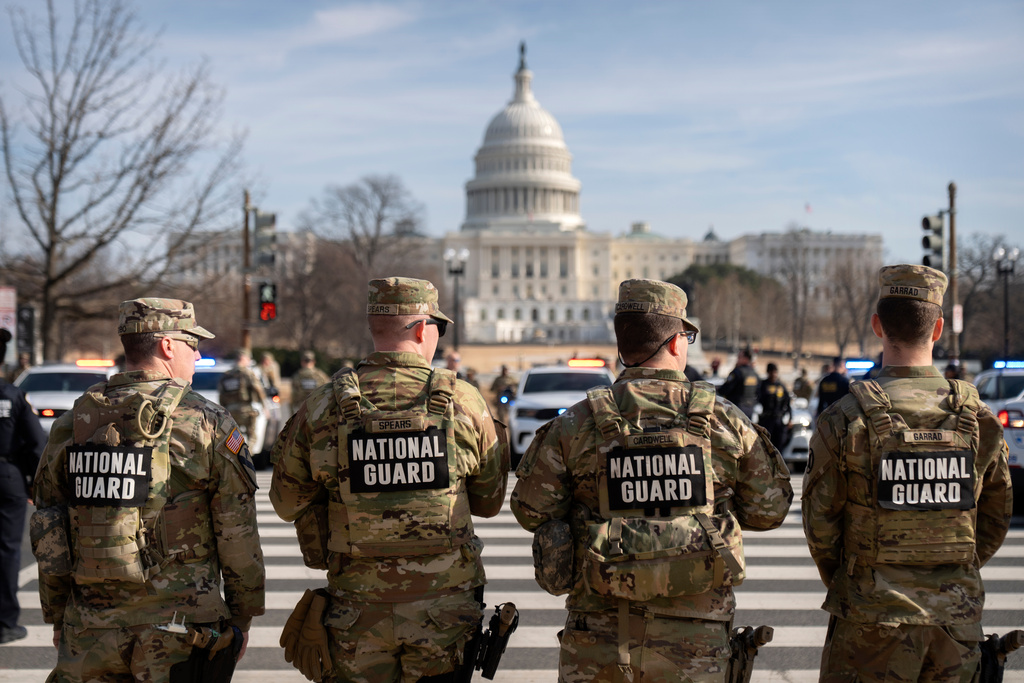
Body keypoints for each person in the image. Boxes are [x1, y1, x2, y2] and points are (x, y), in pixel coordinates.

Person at [511, 279, 793, 682]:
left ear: (622, 342)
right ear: (677, 342)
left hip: (600, 640)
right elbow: (769, 511)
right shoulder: (724, 420)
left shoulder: (576, 422)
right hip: (697, 639)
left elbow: (530, 510)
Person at [271, 277, 509, 682]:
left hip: (355, 610)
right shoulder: (465, 402)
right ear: (421, 328)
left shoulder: (323, 406)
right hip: (444, 614)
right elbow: (488, 503)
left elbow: (286, 503)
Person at [32, 298, 265, 681]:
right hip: (179, 629)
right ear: (167, 346)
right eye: (192, 343)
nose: (197, 353)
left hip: (90, 628)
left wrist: (59, 614)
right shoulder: (206, 421)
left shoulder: (75, 420)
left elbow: (49, 527)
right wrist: (242, 615)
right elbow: (236, 530)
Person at [802, 265, 1012, 682]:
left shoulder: (843, 419)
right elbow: (995, 517)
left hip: (871, 618)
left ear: (878, 325)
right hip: (954, 622)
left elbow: (820, 527)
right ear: (937, 330)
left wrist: (858, 580)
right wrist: (948, 569)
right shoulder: (978, 419)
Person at [0, 329, 46, 644]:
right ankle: (4, 623)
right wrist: (35, 484)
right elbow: (35, 444)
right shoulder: (11, 396)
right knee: (6, 550)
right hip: (6, 479)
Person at [219, 348, 267, 444]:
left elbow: (221, 393)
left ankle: (234, 457)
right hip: (245, 411)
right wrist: (264, 406)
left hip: (230, 412)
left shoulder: (227, 375)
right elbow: (258, 389)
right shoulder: (247, 373)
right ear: (243, 358)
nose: (249, 362)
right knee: (252, 437)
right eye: (249, 359)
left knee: (232, 438)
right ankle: (248, 457)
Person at [757, 362, 791, 451]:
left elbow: (787, 403)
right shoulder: (763, 385)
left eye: (775, 372)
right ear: (768, 372)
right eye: (772, 372)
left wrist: (790, 419)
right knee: (766, 445)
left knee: (779, 446)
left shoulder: (780, 386)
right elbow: (757, 401)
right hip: (766, 420)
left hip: (779, 421)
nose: (774, 375)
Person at [719, 346, 759, 418]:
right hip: (750, 409)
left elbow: (725, 389)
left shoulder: (737, 372)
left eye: (739, 357)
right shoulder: (755, 374)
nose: (737, 359)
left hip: (736, 408)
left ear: (745, 358)